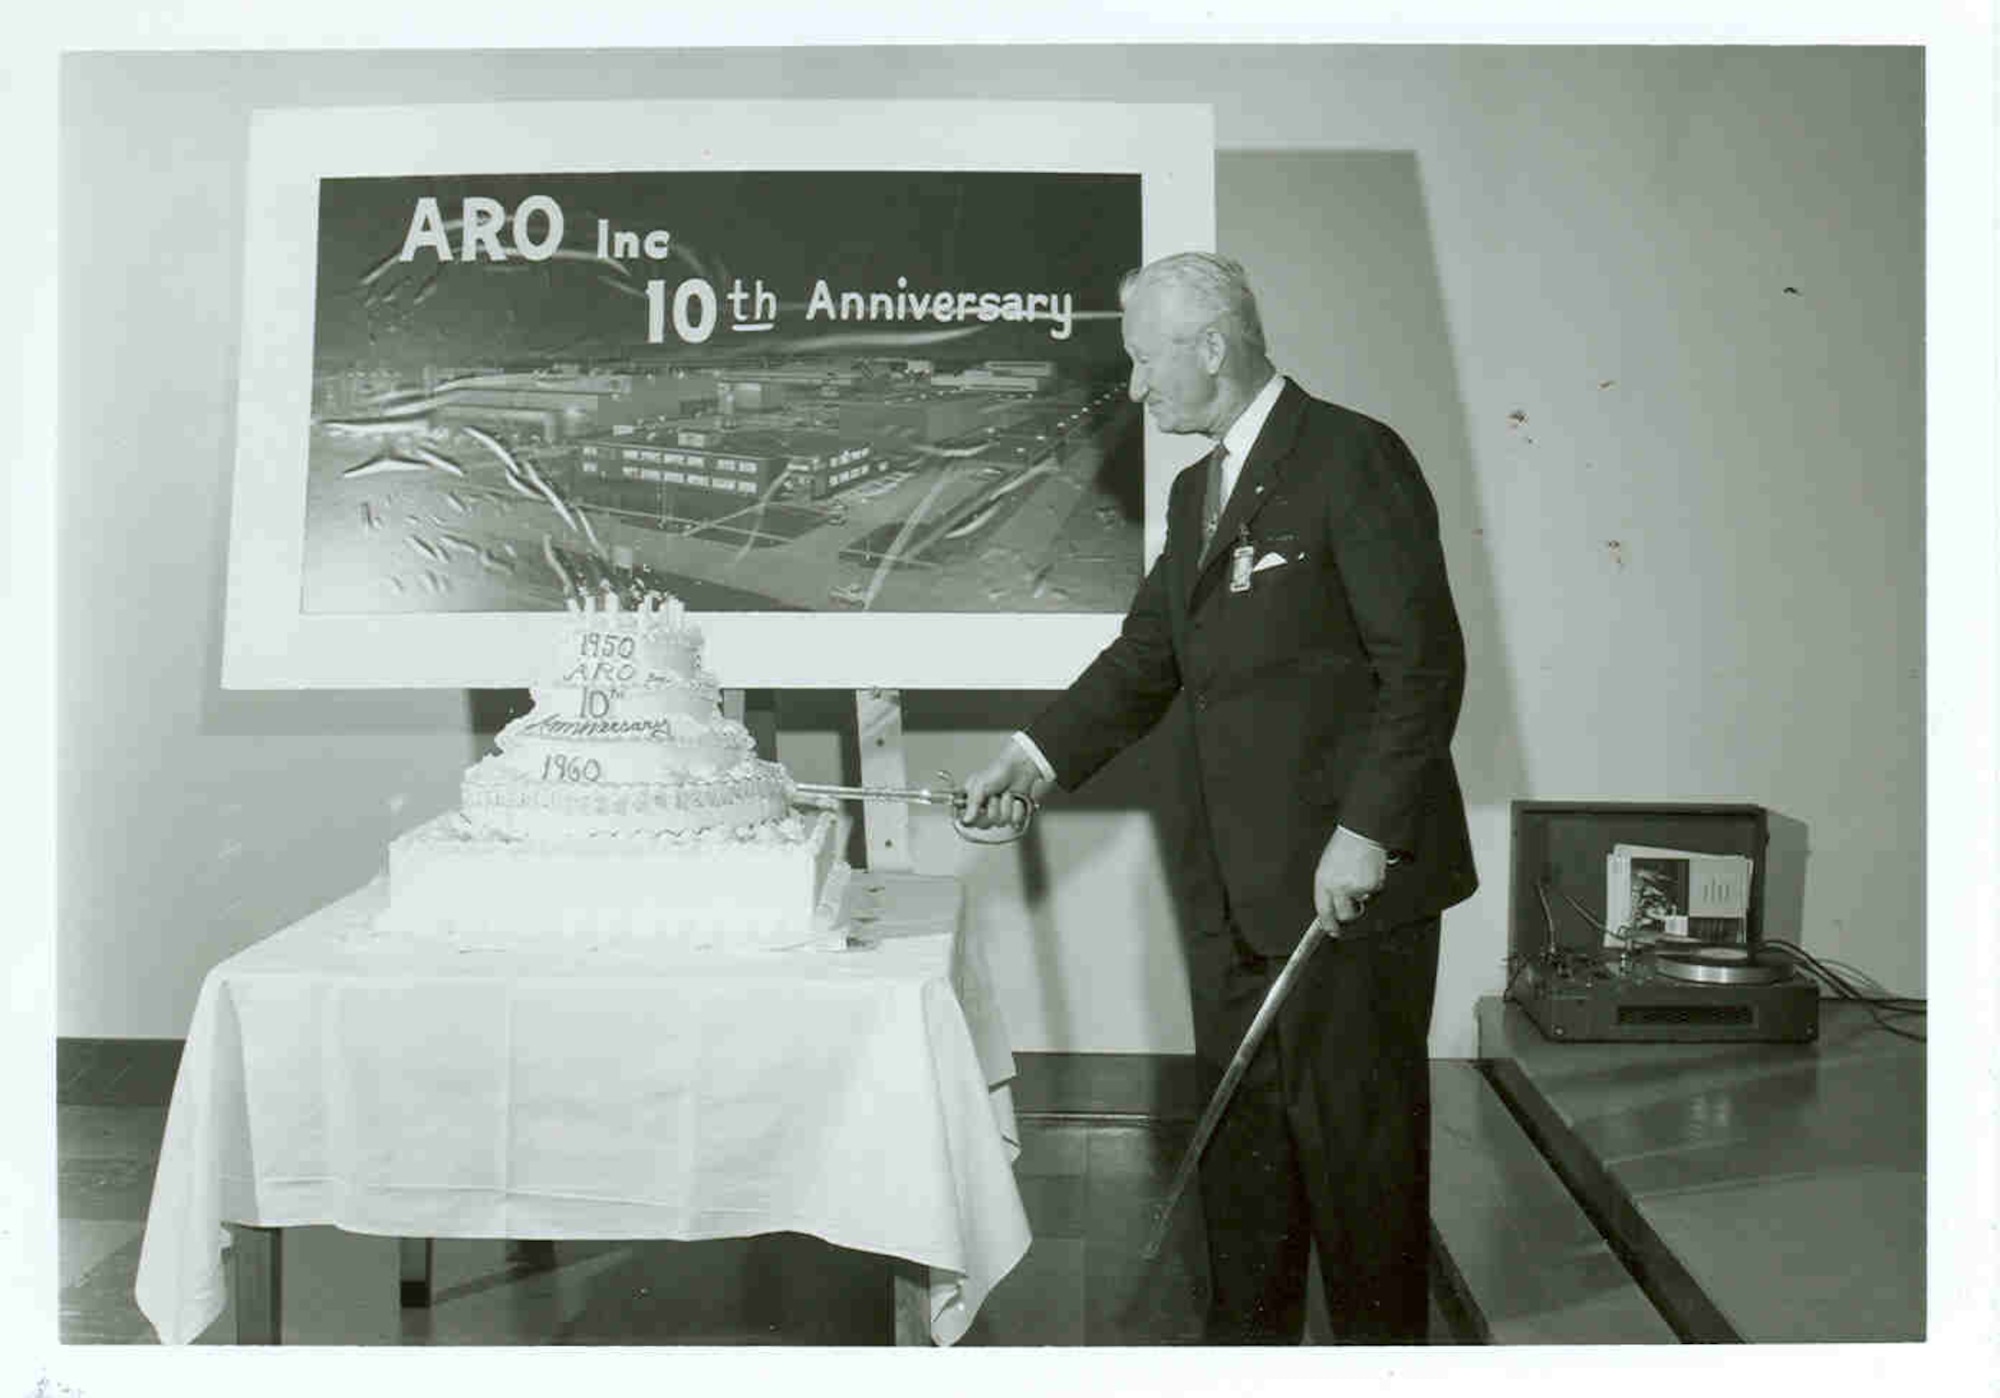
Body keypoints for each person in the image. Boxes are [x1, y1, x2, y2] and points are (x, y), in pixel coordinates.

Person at [961, 251, 1477, 1344]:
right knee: (1244, 1148)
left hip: (1347, 889)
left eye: (1148, 361)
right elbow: (1145, 658)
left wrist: (1365, 833)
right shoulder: (1199, 492)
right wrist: (1031, 758)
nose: (1137, 388)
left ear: (1211, 346)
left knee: (1357, 1155)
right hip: (1237, 887)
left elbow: (1421, 665)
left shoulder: (1351, 457)